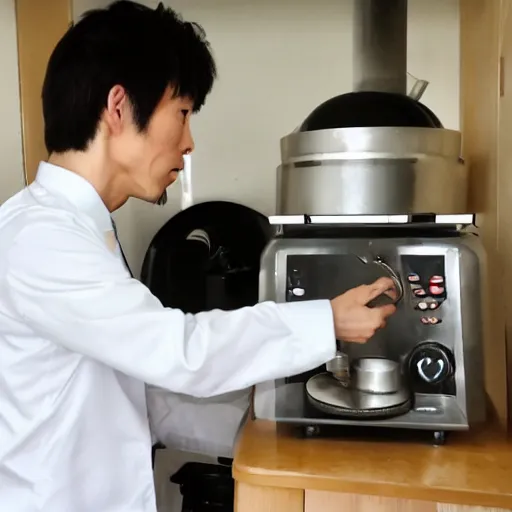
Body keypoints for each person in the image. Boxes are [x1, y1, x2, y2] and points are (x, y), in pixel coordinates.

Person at [0, 2, 396, 511]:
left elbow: (138, 394)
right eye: (183, 113)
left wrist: (272, 430)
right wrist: (327, 321)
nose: (189, 143)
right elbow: (178, 352)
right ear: (118, 107)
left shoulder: (79, 228)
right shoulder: (42, 237)